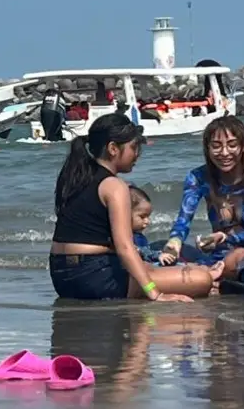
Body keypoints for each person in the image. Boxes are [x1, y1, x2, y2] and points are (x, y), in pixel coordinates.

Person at [49, 113, 220, 301]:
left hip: (62, 278)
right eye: (133, 147)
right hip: (96, 278)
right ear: (113, 148)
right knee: (201, 280)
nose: (137, 154)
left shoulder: (76, 178)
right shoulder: (114, 186)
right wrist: (156, 294)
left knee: (152, 269)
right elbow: (124, 247)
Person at [159, 116, 244, 277]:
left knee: (243, 259)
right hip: (217, 254)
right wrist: (175, 240)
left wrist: (224, 237)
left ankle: (216, 277)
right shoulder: (198, 177)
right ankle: (211, 274)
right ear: (207, 149)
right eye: (216, 146)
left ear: (243, 147)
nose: (224, 153)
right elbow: (183, 220)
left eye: (232, 145)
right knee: (158, 255)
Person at [128, 185, 163, 264]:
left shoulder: (137, 235)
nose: (147, 221)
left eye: (148, 216)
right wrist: (159, 255)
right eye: (142, 216)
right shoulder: (129, 237)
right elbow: (142, 252)